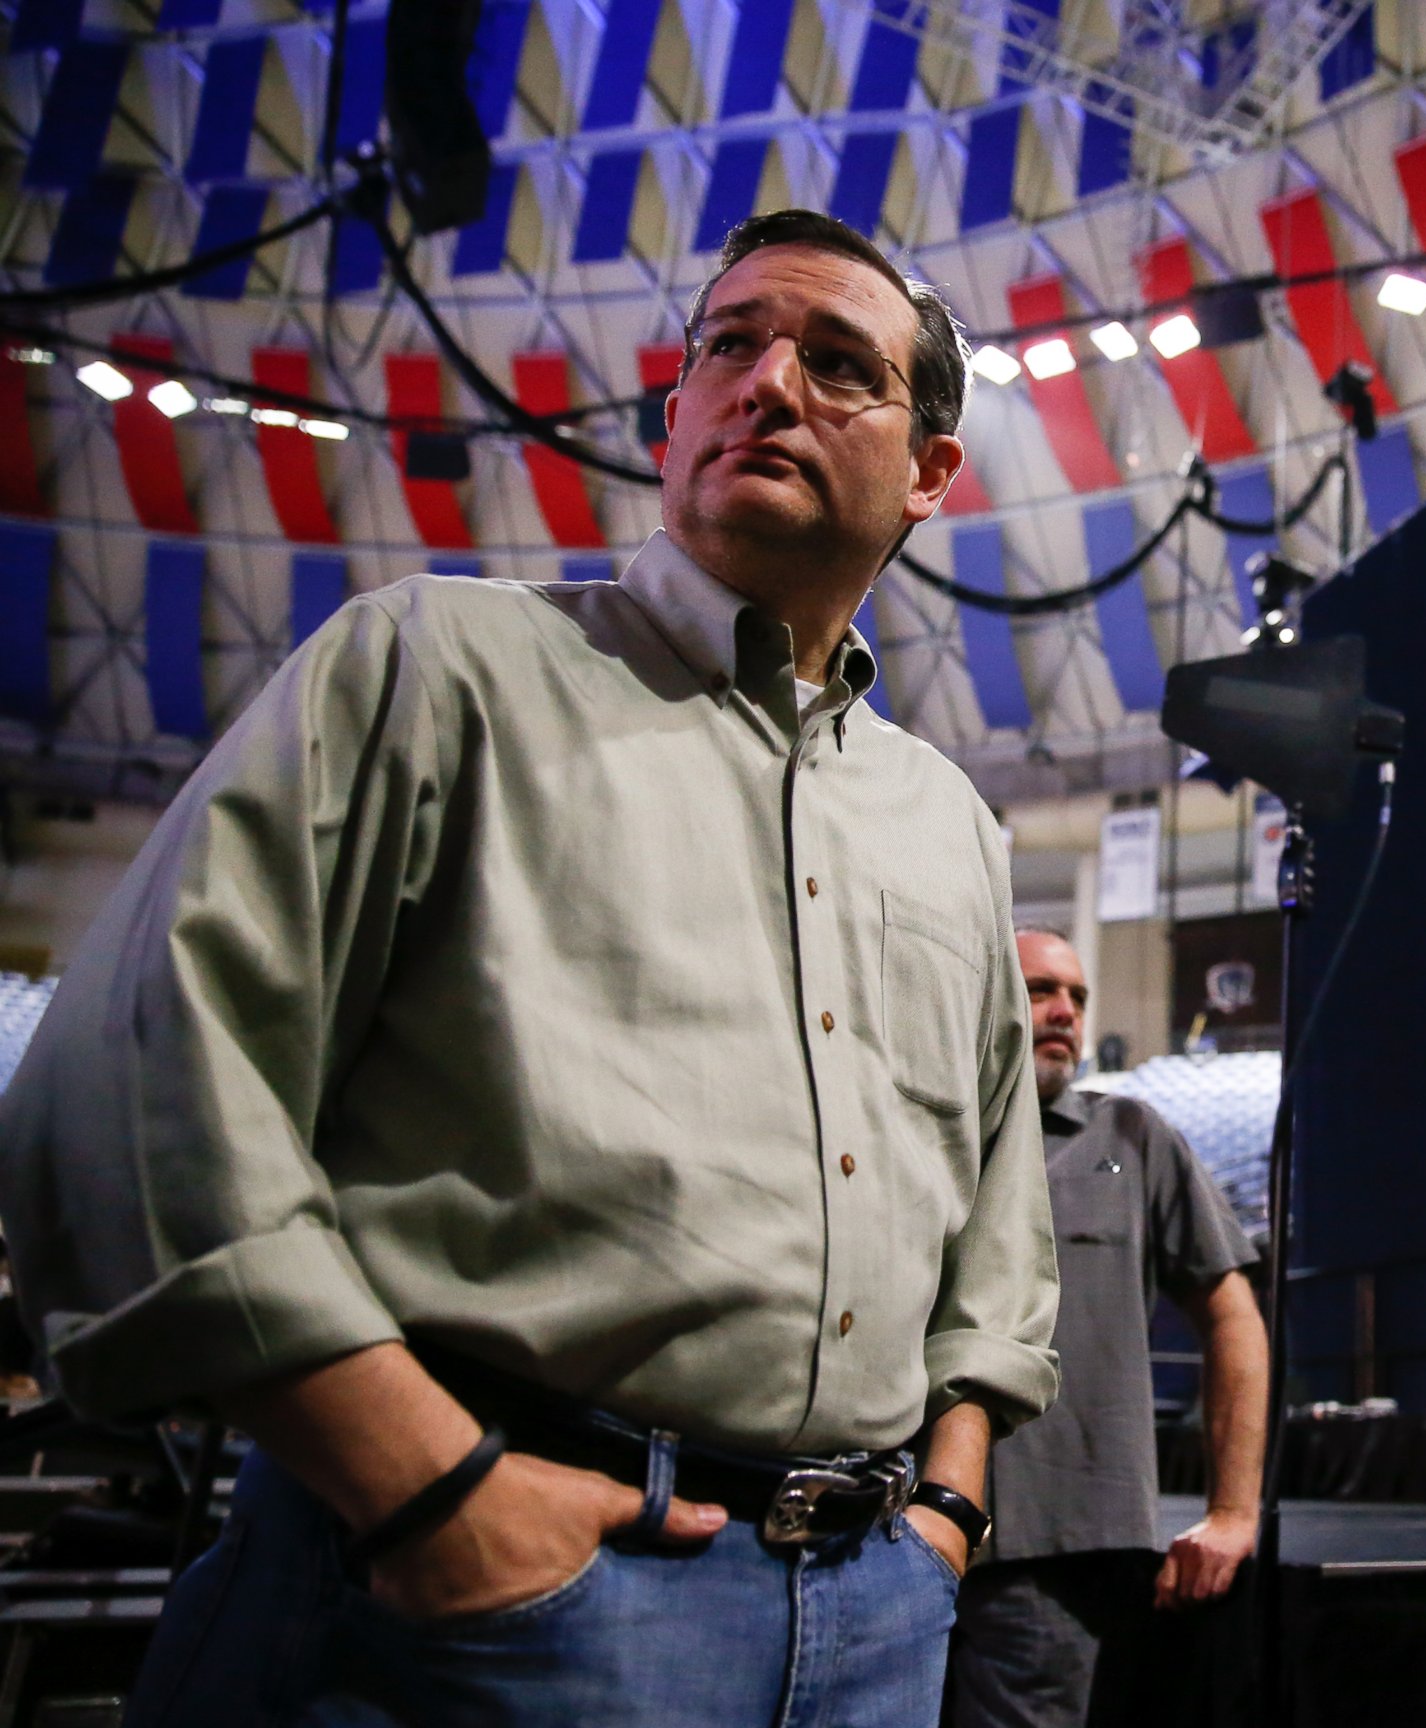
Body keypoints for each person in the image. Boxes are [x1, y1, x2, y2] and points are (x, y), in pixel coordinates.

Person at [0, 208, 1059, 1728]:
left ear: (930, 476)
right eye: (732, 344)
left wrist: (946, 1507)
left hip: (876, 1617)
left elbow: (997, 1208)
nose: (770, 383)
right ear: (676, 404)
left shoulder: (951, 821)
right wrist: (427, 1491)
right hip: (474, 1591)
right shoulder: (434, 664)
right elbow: (137, 1071)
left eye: (840, 365)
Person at [945, 927, 1267, 1727]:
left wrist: (1233, 1512)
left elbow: (1232, 1318)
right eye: (1041, 990)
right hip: (885, 1536)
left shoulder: (1133, 1138)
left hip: (1052, 1557)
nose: (1063, 1012)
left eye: (1078, 997)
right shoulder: (921, 1139)